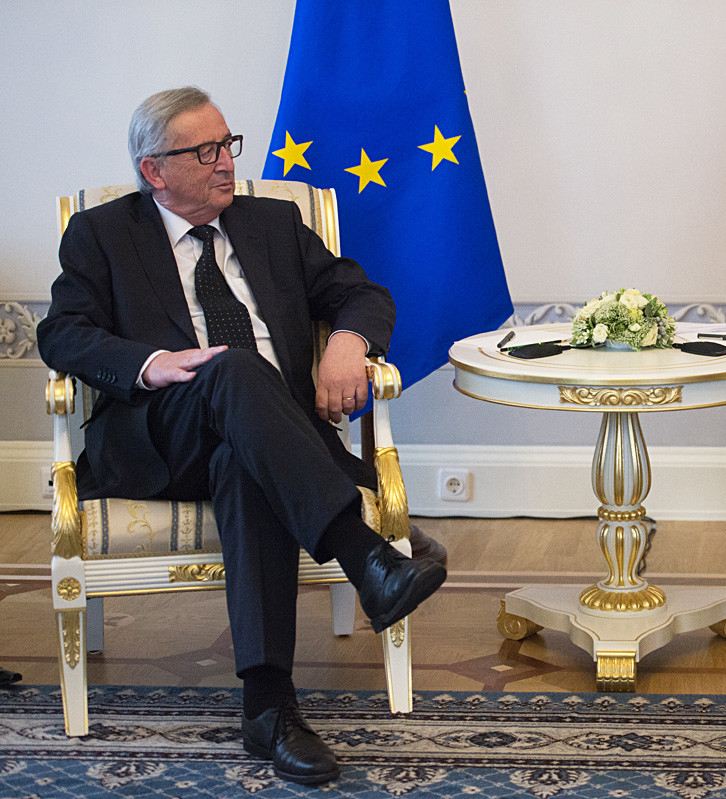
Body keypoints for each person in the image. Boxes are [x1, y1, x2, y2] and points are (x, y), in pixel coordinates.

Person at [38, 87, 448, 786]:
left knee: (244, 459)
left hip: (264, 441)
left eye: (228, 144)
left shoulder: (273, 223)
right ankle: (362, 551)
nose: (226, 163)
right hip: (157, 438)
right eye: (204, 152)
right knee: (230, 372)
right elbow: (62, 332)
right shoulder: (102, 234)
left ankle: (269, 706)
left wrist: (348, 342)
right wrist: (150, 363)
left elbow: (362, 292)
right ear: (154, 170)